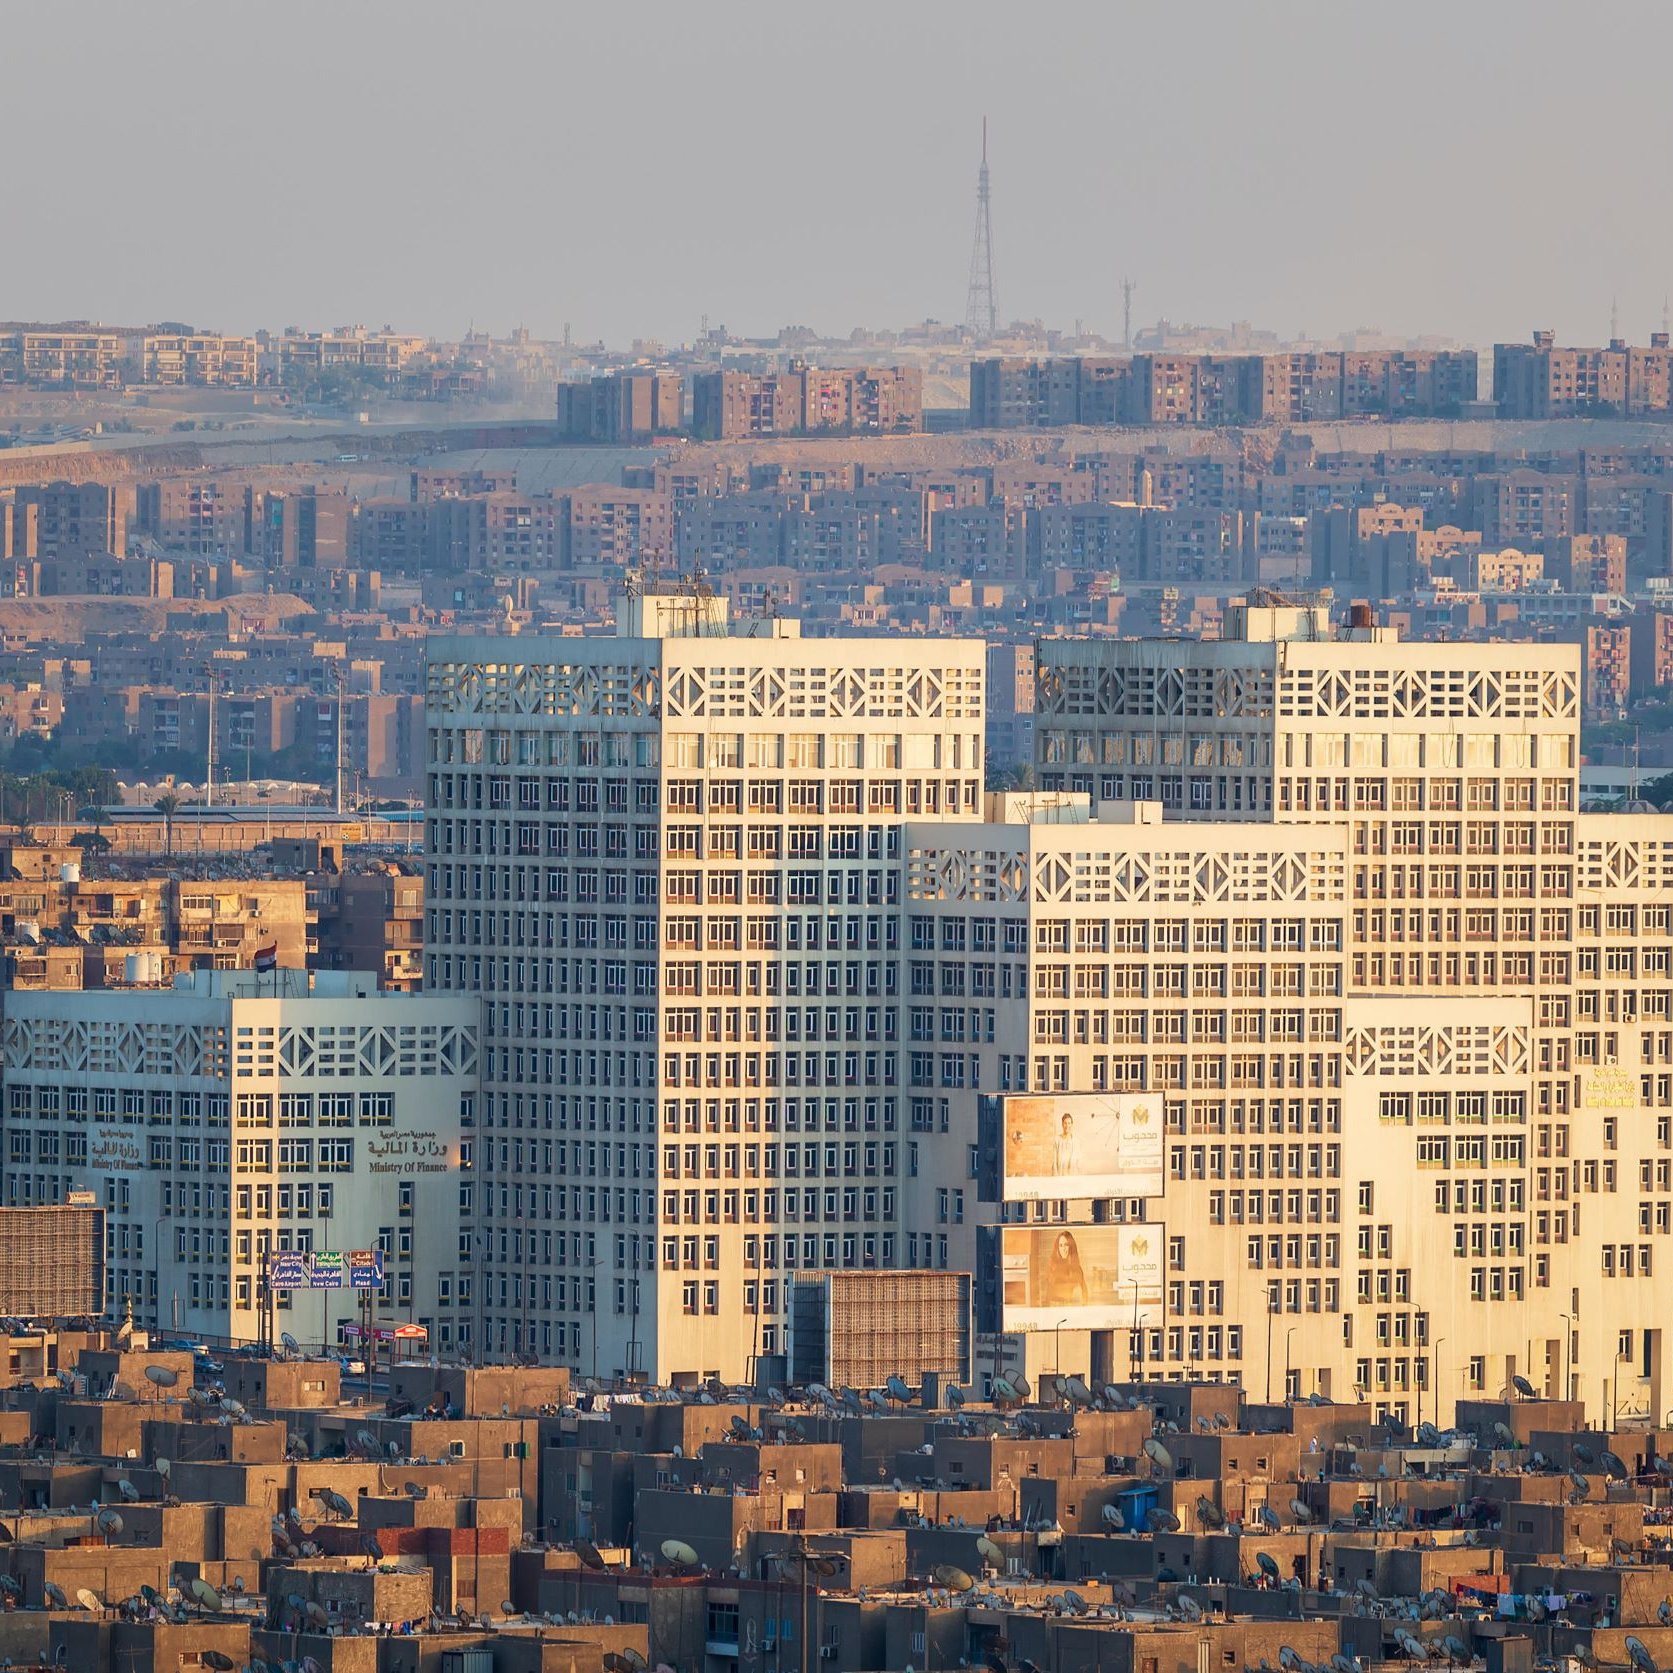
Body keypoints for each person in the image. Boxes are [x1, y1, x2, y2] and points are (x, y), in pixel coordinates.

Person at [1040, 1230, 1088, 1306]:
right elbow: (1046, 1295)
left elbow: (1084, 1292)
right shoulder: (1052, 1267)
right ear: (1057, 1248)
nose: (1063, 1249)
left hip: (1070, 1308)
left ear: (1071, 1247)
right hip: (1054, 1309)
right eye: (1061, 1245)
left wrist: (1083, 1308)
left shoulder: (1077, 1269)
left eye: (1066, 1245)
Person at [1052, 1111, 1077, 1177]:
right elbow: (1054, 1161)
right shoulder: (1057, 1140)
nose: (1067, 1125)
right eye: (1065, 1123)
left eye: (1069, 1123)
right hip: (1060, 1175)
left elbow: (1078, 1161)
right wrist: (1056, 1178)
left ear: (1072, 1124)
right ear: (1062, 1124)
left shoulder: (1075, 1141)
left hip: (1072, 1175)